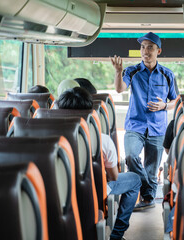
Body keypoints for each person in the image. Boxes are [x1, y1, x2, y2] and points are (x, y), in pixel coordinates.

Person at [57, 87, 141, 240]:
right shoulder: (102, 140)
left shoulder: (46, 138)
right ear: (90, 112)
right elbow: (114, 176)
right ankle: (116, 235)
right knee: (135, 180)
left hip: (57, 194)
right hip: (94, 192)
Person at [111, 32, 178, 211]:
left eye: (150, 47)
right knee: (131, 156)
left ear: (158, 51)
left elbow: (175, 102)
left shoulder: (167, 74)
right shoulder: (132, 71)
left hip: (158, 127)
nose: (145, 51)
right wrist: (118, 72)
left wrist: (164, 106)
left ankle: (147, 199)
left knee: (151, 168)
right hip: (136, 124)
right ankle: (148, 190)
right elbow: (119, 88)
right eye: (142, 47)